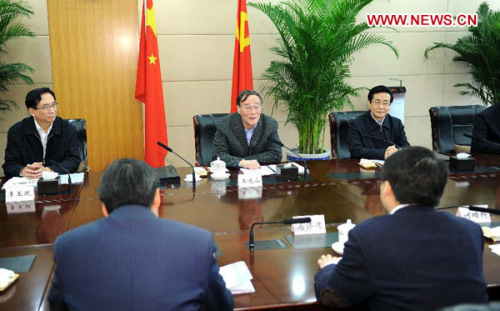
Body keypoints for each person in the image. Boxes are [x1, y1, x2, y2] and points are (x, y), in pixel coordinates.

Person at [315, 146, 488, 310]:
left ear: (387, 188)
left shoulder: (369, 236)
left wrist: (329, 267)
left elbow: (333, 296)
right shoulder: (471, 231)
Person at [48, 158, 234, 311]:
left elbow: (57, 306)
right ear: (156, 197)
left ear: (104, 206)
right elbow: (222, 306)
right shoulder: (198, 242)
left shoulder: (68, 246)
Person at [2, 87, 81, 178]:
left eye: (53, 105)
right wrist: (23, 171)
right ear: (32, 111)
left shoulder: (67, 129)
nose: (52, 111)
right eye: (45, 107)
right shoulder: (17, 131)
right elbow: (10, 164)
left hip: (58, 182)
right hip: (28, 184)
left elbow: (73, 160)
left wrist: (49, 170)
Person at [212, 89, 282, 169]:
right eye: (248, 107)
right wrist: (241, 163)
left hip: (260, 174)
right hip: (233, 174)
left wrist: (246, 161)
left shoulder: (270, 124)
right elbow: (218, 155)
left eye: (256, 107)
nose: (253, 112)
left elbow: (276, 154)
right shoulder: (224, 124)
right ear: (239, 109)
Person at [347, 85, 410, 159]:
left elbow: (406, 148)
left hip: (390, 167)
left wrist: (397, 150)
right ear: (369, 103)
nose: (381, 107)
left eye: (385, 103)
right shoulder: (356, 124)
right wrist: (383, 153)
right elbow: (356, 151)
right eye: (377, 102)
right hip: (365, 168)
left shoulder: (396, 123)